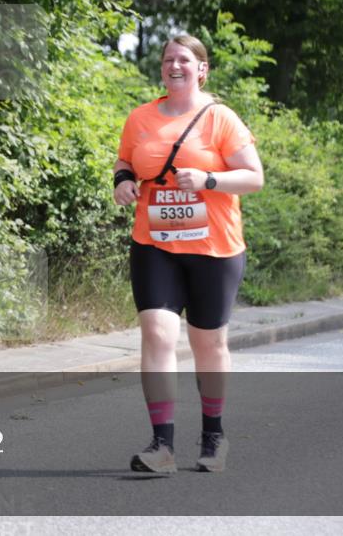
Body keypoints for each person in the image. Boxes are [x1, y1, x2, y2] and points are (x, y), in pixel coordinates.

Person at [113, 34, 264, 473]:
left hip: (213, 247)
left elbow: (253, 178)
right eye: (167, 60)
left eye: (184, 60)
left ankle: (214, 435)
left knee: (208, 343)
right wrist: (122, 182)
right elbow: (125, 162)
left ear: (202, 69)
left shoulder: (220, 119)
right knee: (158, 335)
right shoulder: (140, 118)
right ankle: (162, 446)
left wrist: (209, 181)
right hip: (154, 244)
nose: (174, 66)